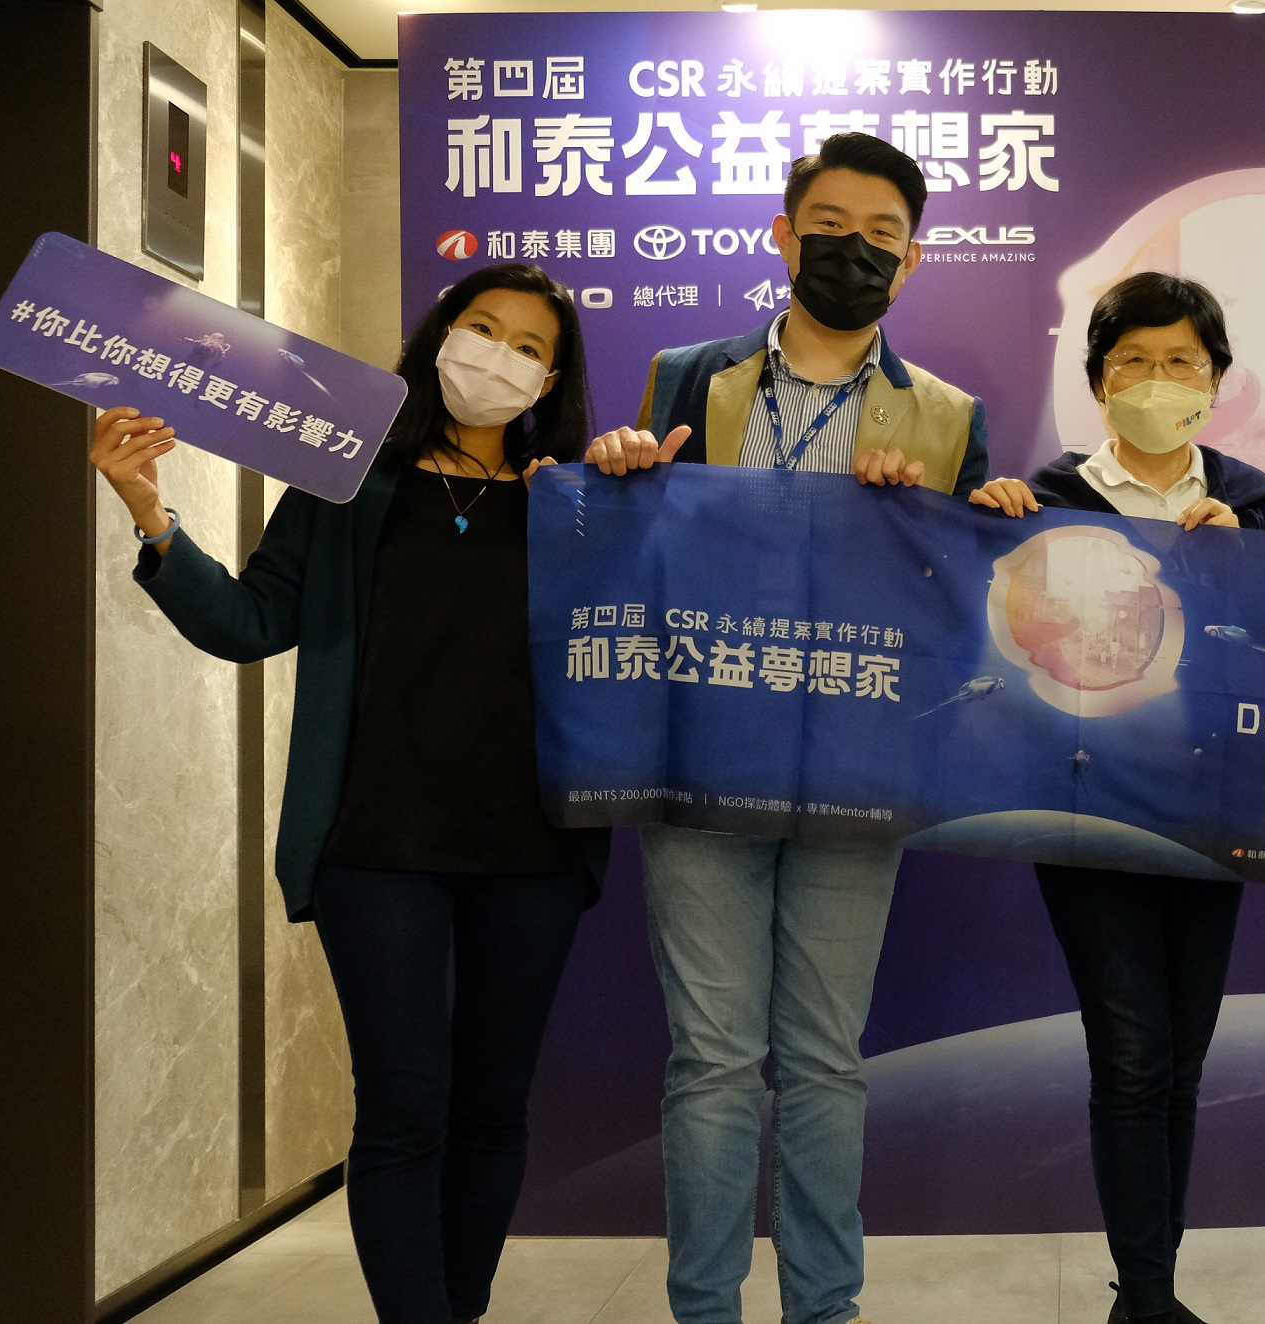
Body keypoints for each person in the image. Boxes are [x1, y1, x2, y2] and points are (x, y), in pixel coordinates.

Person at [89, 263, 606, 1324]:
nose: (498, 357)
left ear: (551, 380)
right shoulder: (349, 479)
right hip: (376, 846)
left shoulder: (577, 502)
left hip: (535, 850)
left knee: (493, 1106)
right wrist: (149, 511)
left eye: (528, 348)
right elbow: (248, 622)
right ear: (439, 335)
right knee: (404, 1108)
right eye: (481, 329)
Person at [582, 131, 986, 1324]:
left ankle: (825, 1309)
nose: (854, 251)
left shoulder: (946, 416)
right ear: (782, 234)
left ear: (913, 259)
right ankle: (705, 1310)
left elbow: (963, 611)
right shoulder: (685, 377)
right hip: (701, 760)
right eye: (830, 227)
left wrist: (928, 525)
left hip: (857, 769)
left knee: (823, 1058)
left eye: (881, 236)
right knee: (712, 1058)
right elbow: (632, 560)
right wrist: (614, 472)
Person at [966, 272, 1265, 1324]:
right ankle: (1144, 1297)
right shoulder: (1049, 498)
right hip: (1087, 813)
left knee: (1182, 1061)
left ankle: (1156, 1282)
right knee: (1131, 1053)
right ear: (1099, 382)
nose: (1158, 380)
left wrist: (1243, 568)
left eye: (1181, 362)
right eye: (1133, 363)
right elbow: (998, 647)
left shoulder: (1254, 500)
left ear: (1217, 379)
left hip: (1211, 812)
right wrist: (988, 535)